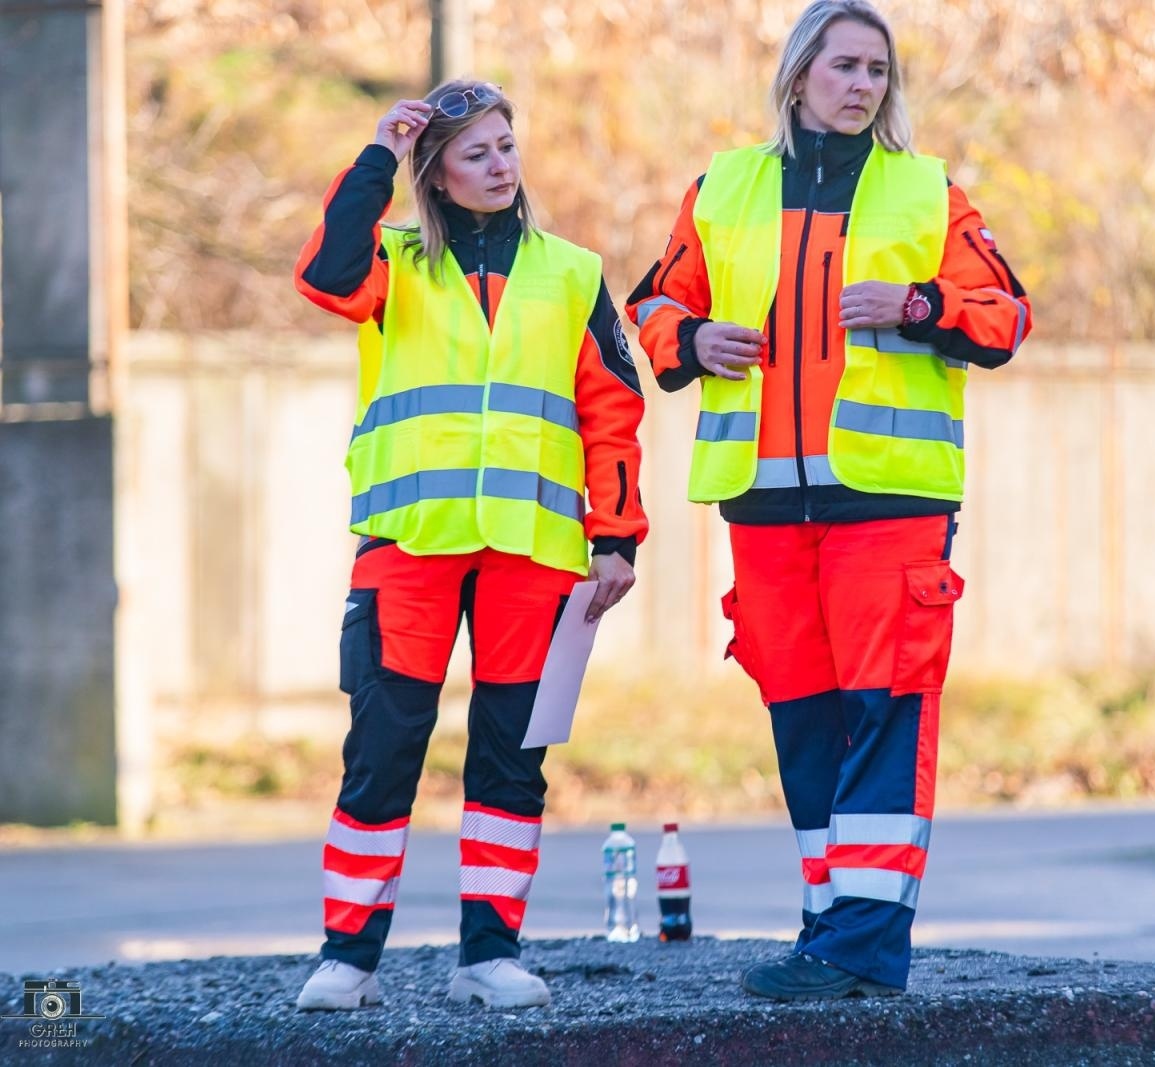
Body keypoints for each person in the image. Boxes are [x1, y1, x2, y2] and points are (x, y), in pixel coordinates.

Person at [627, 0, 1031, 1000]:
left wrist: (917, 304)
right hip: (764, 511)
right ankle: (827, 924)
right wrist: (692, 339)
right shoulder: (722, 188)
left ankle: (861, 944)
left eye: (877, 72)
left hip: (888, 506)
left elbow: (1008, 315)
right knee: (801, 716)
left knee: (885, 707)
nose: (861, 86)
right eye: (844, 66)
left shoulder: (929, 193)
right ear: (799, 71)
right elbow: (651, 303)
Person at [290, 80, 647, 1011]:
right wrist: (377, 153)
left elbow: (612, 410)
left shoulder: (571, 271)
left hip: (531, 552)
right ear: (437, 175)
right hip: (409, 545)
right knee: (383, 748)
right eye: (476, 153)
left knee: (508, 757)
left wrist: (616, 537)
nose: (499, 165)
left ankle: (489, 955)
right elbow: (327, 275)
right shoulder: (395, 261)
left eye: (506, 147)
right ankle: (348, 959)